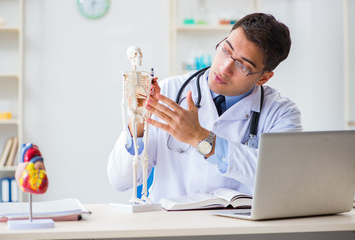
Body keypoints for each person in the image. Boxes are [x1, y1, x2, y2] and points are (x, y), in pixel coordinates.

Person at [108, 13, 302, 203]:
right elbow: (120, 180)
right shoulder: (169, 91)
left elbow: (281, 178)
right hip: (170, 228)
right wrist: (139, 120)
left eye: (243, 66)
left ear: (263, 77)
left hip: (238, 231)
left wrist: (199, 137)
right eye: (226, 50)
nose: (225, 67)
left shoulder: (281, 113)